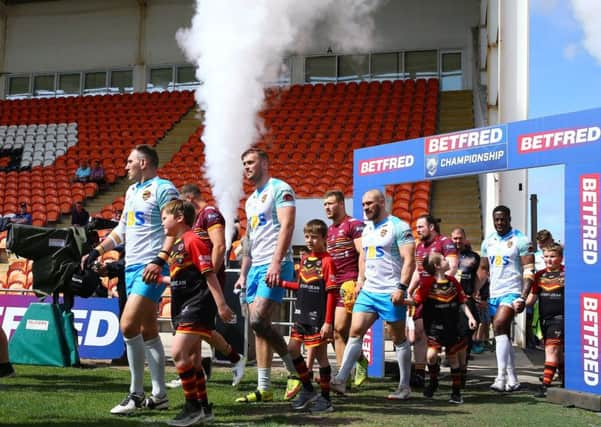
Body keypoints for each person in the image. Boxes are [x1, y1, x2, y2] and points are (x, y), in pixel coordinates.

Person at [82, 144, 179, 415]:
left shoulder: (164, 188)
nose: (125, 166)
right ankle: (159, 395)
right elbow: (123, 229)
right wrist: (98, 250)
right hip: (132, 266)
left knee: (127, 325)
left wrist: (159, 259)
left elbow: (174, 228)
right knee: (148, 330)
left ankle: (135, 394)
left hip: (151, 267)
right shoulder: (131, 191)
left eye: (129, 161)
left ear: (144, 162)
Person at [330, 189, 415, 399]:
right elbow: (363, 257)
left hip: (390, 292)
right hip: (369, 292)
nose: (365, 207)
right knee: (355, 331)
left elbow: (409, 260)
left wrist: (401, 288)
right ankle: (341, 380)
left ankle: (404, 386)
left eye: (369, 203)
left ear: (382, 203)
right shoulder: (365, 229)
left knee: (399, 339)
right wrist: (360, 281)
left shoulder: (399, 226)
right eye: (363, 204)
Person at [161, 200, 234, 426]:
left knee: (178, 353)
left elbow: (209, 274)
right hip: (182, 304)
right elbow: (183, 278)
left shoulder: (194, 240)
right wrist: (163, 279)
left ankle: (192, 407)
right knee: (192, 359)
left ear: (180, 216)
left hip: (197, 304)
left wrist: (221, 304)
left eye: (165, 217)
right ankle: (204, 407)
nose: (162, 221)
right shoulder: (178, 244)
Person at [234, 148, 298, 403]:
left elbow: (288, 225)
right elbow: (249, 240)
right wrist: (243, 273)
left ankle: (295, 370)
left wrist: (275, 262)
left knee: (259, 321)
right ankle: (265, 387)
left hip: (275, 264)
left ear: (264, 163)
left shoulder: (280, 189)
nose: (246, 167)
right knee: (259, 329)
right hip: (255, 267)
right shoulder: (251, 201)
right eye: (244, 163)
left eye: (250, 162)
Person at [176, 183, 246, 386]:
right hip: (198, 279)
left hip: (208, 278)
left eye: (181, 203)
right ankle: (196, 370)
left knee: (197, 326)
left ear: (189, 198)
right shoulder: (197, 219)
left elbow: (220, 245)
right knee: (198, 328)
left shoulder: (210, 214)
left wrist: (209, 275)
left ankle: (231, 359)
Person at [274, 219, 336, 413]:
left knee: (321, 357)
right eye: (307, 236)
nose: (310, 240)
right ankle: (308, 389)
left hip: (318, 319)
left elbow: (332, 293)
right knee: (292, 349)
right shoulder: (305, 260)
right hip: (301, 316)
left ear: (324, 238)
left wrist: (328, 322)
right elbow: (301, 287)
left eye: (314, 237)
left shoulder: (328, 261)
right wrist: (282, 284)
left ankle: (326, 399)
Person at [406, 252, 477, 404]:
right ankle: (433, 382)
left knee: (452, 359)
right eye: (444, 259)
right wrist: (402, 301)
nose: (447, 260)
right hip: (434, 329)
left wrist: (470, 317)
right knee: (431, 356)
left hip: (453, 327)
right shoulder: (427, 285)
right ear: (438, 266)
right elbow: (416, 301)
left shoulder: (453, 281)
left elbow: (462, 302)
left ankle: (456, 392)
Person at [477, 205, 534, 392]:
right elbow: (484, 269)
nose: (500, 222)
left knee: (500, 326)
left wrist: (523, 297)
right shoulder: (488, 242)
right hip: (495, 293)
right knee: (503, 335)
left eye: (503, 219)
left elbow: (529, 270)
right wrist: (476, 289)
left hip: (513, 292)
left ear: (509, 219)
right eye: (496, 219)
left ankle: (500, 378)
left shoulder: (521, 240)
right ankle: (513, 379)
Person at [323, 189, 369, 387]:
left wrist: (360, 280)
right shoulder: (329, 230)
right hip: (332, 285)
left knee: (340, 329)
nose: (327, 207)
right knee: (334, 332)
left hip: (349, 283)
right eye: (325, 204)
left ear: (341, 204)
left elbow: (363, 253)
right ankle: (358, 361)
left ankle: (342, 378)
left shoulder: (354, 225)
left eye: (331, 203)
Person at [407, 215, 457, 388]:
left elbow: (452, 266)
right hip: (423, 295)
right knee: (419, 333)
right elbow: (417, 271)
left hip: (440, 297)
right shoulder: (420, 246)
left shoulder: (445, 242)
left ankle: (458, 376)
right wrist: (410, 290)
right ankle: (420, 374)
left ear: (431, 227)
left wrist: (442, 290)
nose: (418, 230)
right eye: (417, 227)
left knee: (448, 339)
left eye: (421, 227)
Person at [527, 243, 564, 398]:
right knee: (558, 353)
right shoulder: (539, 275)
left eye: (553, 256)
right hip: (545, 320)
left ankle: (545, 385)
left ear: (560, 258)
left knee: (551, 350)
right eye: (546, 256)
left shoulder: (567, 273)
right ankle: (565, 380)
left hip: (561, 318)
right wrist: (519, 305)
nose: (549, 260)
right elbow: (532, 297)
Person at [451, 227, 482, 370]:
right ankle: (453, 361)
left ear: (465, 239)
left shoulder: (474, 257)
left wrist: (476, 291)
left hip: (467, 300)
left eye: (460, 238)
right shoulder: (446, 255)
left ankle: (463, 364)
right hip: (449, 300)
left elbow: (478, 276)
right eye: (455, 238)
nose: (457, 241)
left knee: (466, 333)